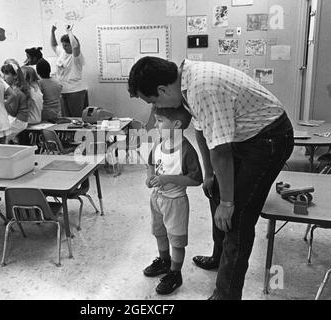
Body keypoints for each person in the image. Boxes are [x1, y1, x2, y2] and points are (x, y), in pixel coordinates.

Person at [128, 56, 294, 300]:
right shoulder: (184, 84)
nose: (157, 112)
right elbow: (202, 131)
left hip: (268, 138)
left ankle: (225, 295)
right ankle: (219, 257)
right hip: (244, 135)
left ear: (162, 90)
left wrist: (228, 203)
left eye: (153, 101)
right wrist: (208, 175)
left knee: (237, 217)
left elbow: (222, 152)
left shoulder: (201, 88)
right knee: (216, 189)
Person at [144, 104, 202, 295]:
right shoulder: (160, 142)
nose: (155, 124)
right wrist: (150, 176)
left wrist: (168, 179)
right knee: (159, 233)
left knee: (177, 241)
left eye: (160, 121)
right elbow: (151, 162)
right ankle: (164, 261)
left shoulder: (186, 150)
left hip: (176, 202)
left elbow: (196, 179)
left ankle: (175, 273)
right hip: (157, 199)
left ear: (176, 124)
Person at [51, 24, 88, 117]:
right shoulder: (62, 52)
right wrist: (52, 32)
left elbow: (76, 47)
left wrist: (69, 32)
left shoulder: (76, 57)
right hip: (63, 91)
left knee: (76, 118)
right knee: (66, 119)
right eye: (63, 45)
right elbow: (54, 45)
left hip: (75, 91)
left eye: (66, 45)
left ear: (71, 44)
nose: (64, 48)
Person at [1, 60, 30, 143]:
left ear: (15, 76)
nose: (4, 77)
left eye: (6, 74)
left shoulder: (16, 92)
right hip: (20, 120)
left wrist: (4, 103)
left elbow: (13, 113)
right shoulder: (17, 89)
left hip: (19, 122)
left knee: (2, 139)